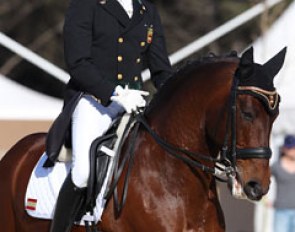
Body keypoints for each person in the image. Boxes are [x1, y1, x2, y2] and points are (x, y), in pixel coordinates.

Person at [46, 0, 174, 231]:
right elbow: (78, 63)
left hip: (135, 102)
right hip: (95, 99)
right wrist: (114, 93)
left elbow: (161, 69)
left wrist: (175, 97)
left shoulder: (147, 10)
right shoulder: (87, 5)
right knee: (83, 171)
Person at [271, 134, 295, 232]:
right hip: (281, 211)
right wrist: (263, 200)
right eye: (290, 148)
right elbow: (262, 181)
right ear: (284, 149)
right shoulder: (276, 166)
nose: (293, 151)